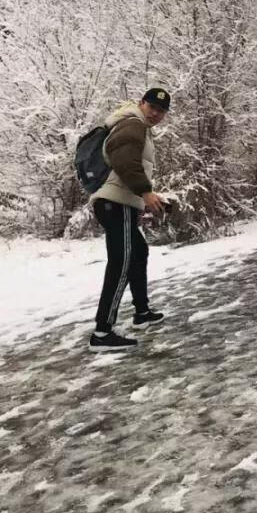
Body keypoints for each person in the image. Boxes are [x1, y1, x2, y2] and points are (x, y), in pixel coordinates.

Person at [89, 87, 171, 351]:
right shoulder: (133, 123)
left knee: (138, 252)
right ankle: (102, 333)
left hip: (119, 201)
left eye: (161, 111)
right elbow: (124, 160)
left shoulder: (136, 125)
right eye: (152, 107)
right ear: (141, 103)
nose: (156, 113)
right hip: (117, 201)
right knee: (121, 262)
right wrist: (145, 192)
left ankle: (142, 312)